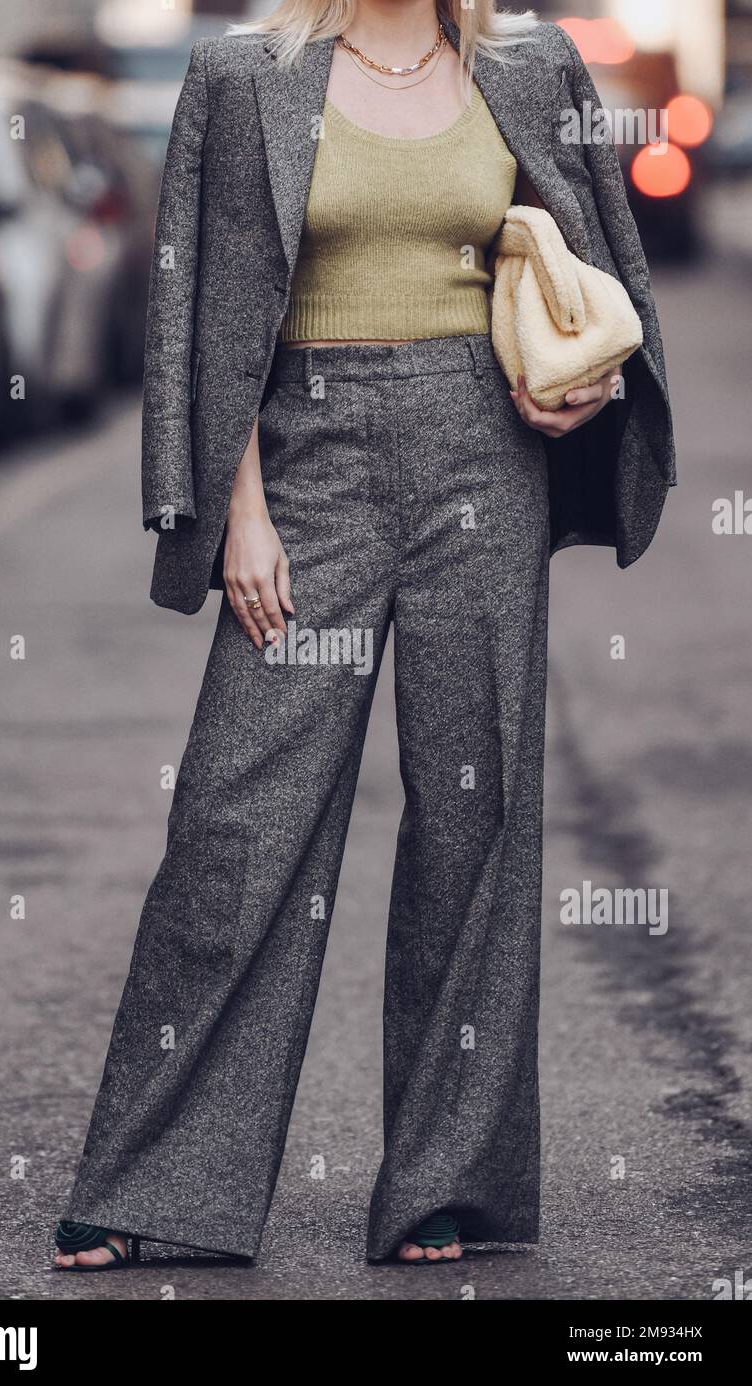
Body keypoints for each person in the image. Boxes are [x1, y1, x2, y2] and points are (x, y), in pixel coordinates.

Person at [54, 0, 675, 1270]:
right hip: (306, 463)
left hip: (480, 462)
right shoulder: (242, 78)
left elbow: (599, 263)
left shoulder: (526, 62)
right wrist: (241, 512)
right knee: (235, 816)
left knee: (477, 818)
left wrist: (583, 379)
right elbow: (205, 318)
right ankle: (156, 1186)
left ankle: (444, 1184)